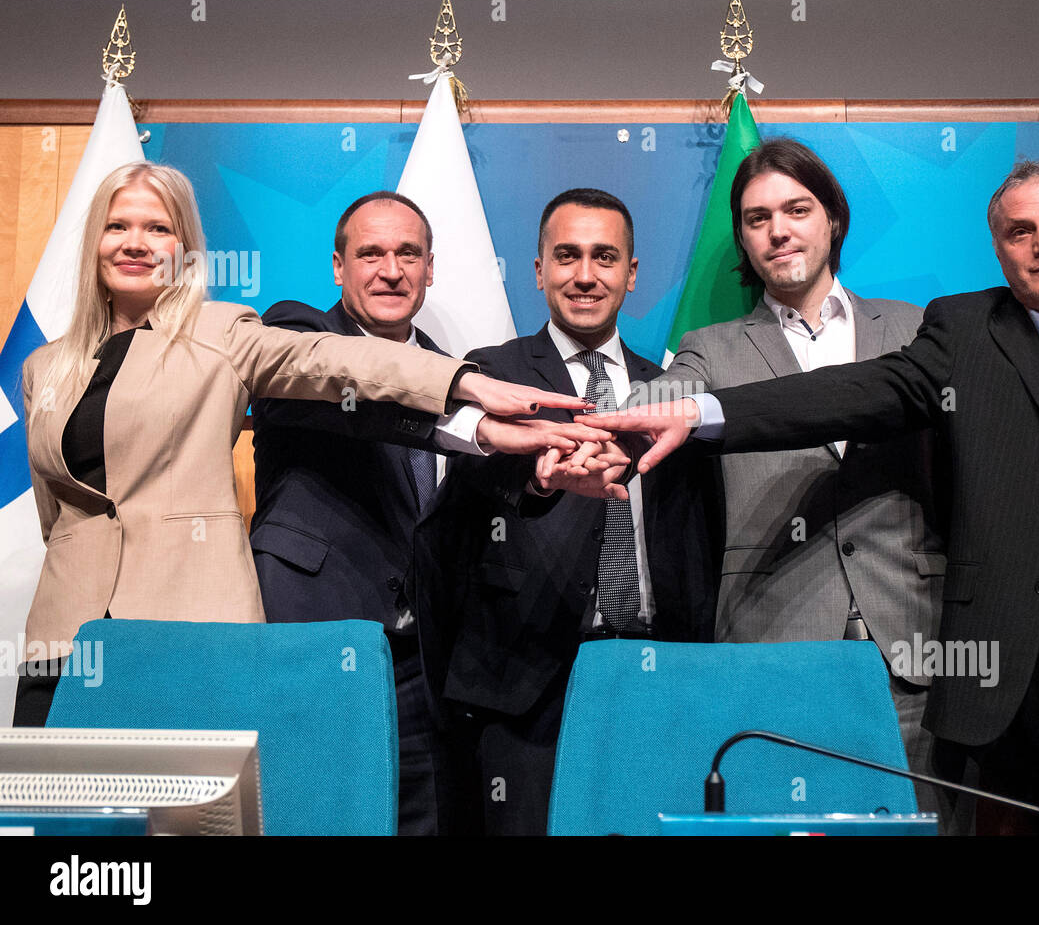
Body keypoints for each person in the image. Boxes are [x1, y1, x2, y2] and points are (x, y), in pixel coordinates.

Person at [585, 161, 1039, 833]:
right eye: (1020, 232)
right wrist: (684, 412)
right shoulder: (971, 336)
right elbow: (854, 391)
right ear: (997, 250)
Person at [14, 162, 587, 728]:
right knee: (55, 816)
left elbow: (334, 359)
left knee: (185, 818)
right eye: (118, 226)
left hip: (187, 633)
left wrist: (463, 383)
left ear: (184, 248)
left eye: (158, 228)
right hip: (62, 640)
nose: (135, 243)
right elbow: (56, 516)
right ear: (94, 241)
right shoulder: (45, 368)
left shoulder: (224, 335)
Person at [249, 190, 604, 834]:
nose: (391, 269)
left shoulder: (450, 368)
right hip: (319, 645)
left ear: (431, 269)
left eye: (408, 253)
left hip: (427, 667)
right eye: (371, 253)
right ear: (337, 267)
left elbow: (477, 492)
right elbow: (357, 390)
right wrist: (480, 421)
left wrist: (540, 482)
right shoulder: (296, 335)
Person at [650, 138, 945, 814]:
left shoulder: (918, 330)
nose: (778, 230)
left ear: (833, 218)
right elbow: (665, 402)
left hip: (908, 645)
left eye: (796, 209)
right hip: (772, 639)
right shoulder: (709, 347)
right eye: (757, 219)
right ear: (744, 241)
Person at [410, 188, 717, 835]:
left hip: (655, 674)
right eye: (567, 256)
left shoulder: (669, 388)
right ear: (539, 270)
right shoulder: (491, 375)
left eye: (605, 257)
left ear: (632, 274)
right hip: (525, 688)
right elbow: (475, 482)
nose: (585, 276)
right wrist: (541, 481)